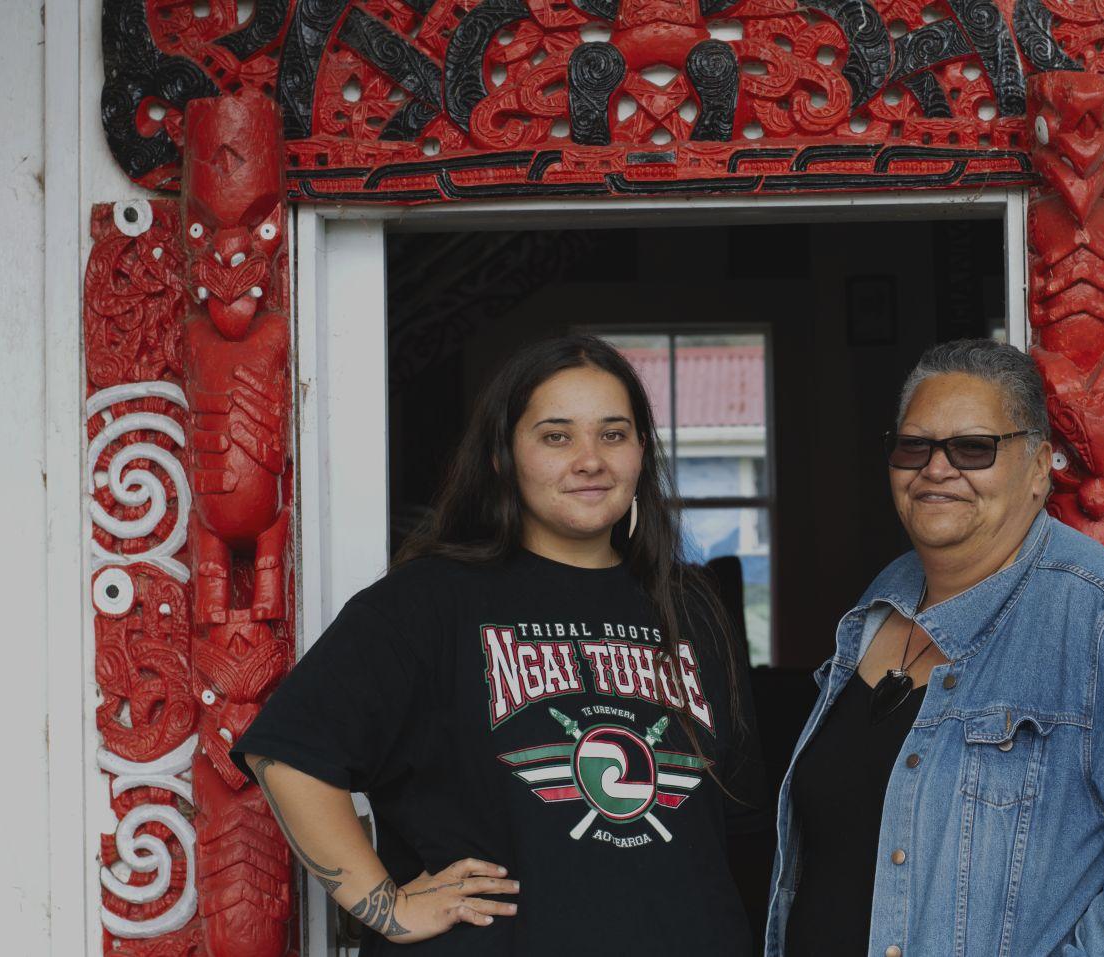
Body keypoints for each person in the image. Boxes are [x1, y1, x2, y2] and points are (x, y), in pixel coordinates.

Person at [234, 335, 763, 956]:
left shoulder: (692, 608)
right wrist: (388, 906)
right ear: (502, 456)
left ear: (642, 453)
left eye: (613, 434)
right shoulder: (430, 600)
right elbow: (291, 754)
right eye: (556, 436)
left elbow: (741, 823)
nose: (590, 460)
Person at [767, 339, 1104, 957]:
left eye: (974, 448)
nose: (936, 468)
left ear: (1040, 466)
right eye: (914, 445)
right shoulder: (880, 599)